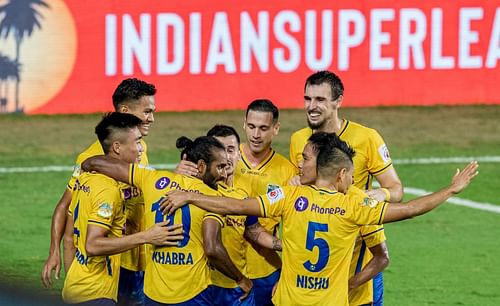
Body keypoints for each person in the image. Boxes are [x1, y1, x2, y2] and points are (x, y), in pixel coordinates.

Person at [161, 132, 479, 306]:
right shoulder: (356, 207)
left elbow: (235, 206)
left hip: (287, 300)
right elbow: (410, 209)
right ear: (341, 174)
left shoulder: (287, 197)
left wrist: (190, 195)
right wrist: (450, 189)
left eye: (306, 159)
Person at [81, 136, 253, 305]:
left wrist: (85, 167)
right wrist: (241, 279)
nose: (224, 174)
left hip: (154, 293)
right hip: (192, 294)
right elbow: (212, 249)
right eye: (220, 167)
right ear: (201, 166)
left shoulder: (153, 179)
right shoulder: (212, 199)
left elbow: (95, 162)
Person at [42, 78, 159, 306]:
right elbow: (67, 210)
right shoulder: (91, 161)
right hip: (116, 258)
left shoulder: (139, 148)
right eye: (147, 111)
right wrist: (54, 252)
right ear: (125, 110)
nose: (151, 118)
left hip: (139, 254)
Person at [289, 71, 402, 305]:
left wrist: (381, 193)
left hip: (358, 260)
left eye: (320, 100)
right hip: (314, 264)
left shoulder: (367, 138)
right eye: (307, 99)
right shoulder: (298, 140)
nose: (311, 106)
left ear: (338, 101)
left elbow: (396, 188)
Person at [62, 112, 182, 305]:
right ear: (117, 147)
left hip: (77, 286)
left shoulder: (86, 179)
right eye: (137, 142)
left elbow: (69, 237)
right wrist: (147, 236)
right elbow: (92, 245)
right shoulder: (108, 190)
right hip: (95, 294)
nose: (141, 149)